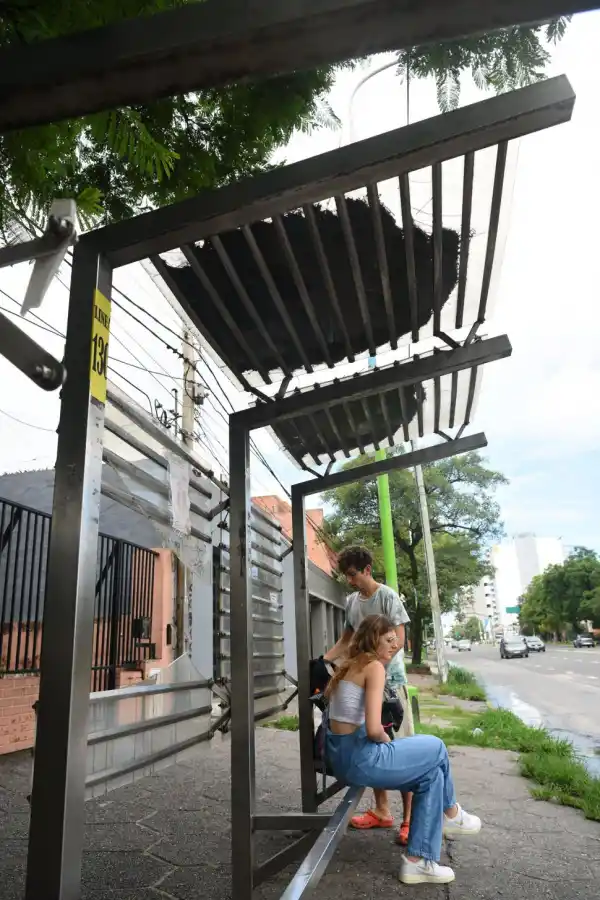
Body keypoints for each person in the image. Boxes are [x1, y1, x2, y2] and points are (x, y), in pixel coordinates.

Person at [325, 614, 482, 885]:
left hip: (341, 756)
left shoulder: (350, 664)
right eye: (388, 640)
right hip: (361, 759)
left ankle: (418, 861)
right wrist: (390, 746)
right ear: (373, 639)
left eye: (395, 641)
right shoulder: (373, 667)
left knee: (431, 776)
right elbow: (374, 729)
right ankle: (452, 813)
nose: (394, 646)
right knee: (436, 747)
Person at [323, 546, 413, 844]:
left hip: (388, 683)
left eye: (352, 574)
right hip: (364, 681)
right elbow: (345, 642)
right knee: (371, 742)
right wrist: (322, 661)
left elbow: (398, 639)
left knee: (399, 748)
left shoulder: (386, 596)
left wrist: (374, 667)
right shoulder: (351, 602)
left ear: (367, 570)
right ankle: (382, 811)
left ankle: (409, 819)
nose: (349, 580)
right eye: (345, 575)